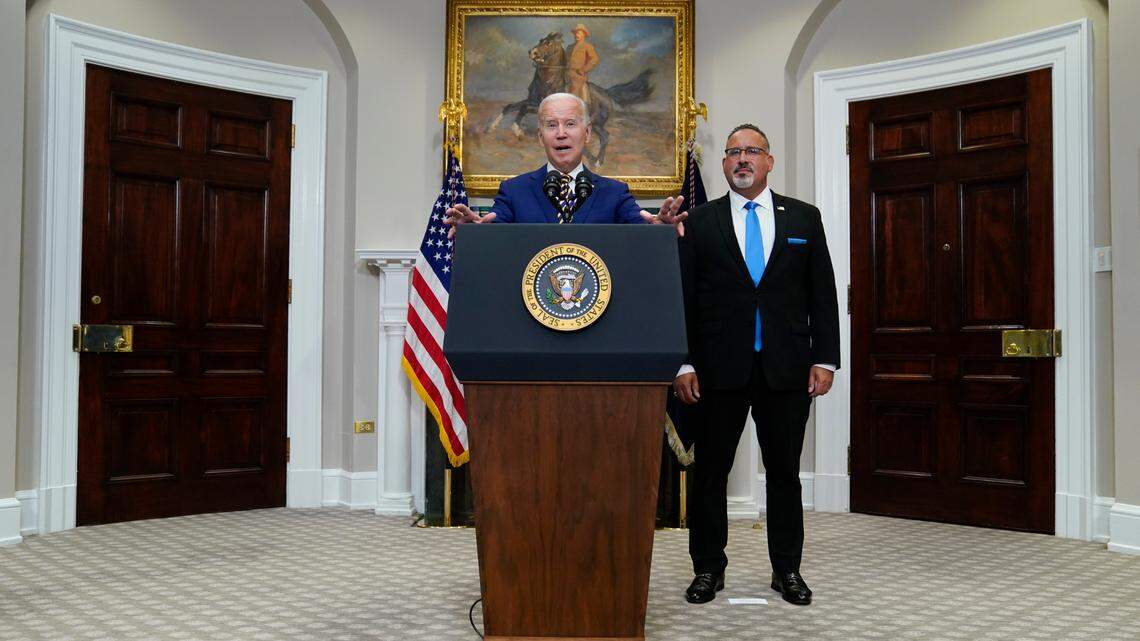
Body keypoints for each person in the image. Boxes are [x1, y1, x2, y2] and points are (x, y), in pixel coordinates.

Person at [674, 124, 840, 606]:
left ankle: (786, 570)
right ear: (724, 165)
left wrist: (825, 358)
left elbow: (822, 294)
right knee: (710, 473)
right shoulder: (700, 221)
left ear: (769, 161)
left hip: (787, 369)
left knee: (784, 473)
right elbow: (684, 296)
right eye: (732, 153)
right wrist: (683, 363)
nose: (741, 159)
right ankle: (708, 570)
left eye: (751, 151)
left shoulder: (804, 219)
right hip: (716, 370)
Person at [444, 92, 686, 234]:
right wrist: (474, 231)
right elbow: (493, 232)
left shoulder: (615, 193)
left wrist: (660, 228)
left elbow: (643, 231)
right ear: (540, 137)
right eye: (551, 125)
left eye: (570, 124)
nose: (561, 133)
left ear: (588, 133)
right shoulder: (514, 191)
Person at [566, 23, 599, 104]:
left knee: (575, 98)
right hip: (566, 75)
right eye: (576, 33)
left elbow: (595, 59)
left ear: (584, 35)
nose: (577, 35)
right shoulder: (569, 47)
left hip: (578, 76)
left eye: (579, 33)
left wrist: (583, 70)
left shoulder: (587, 46)